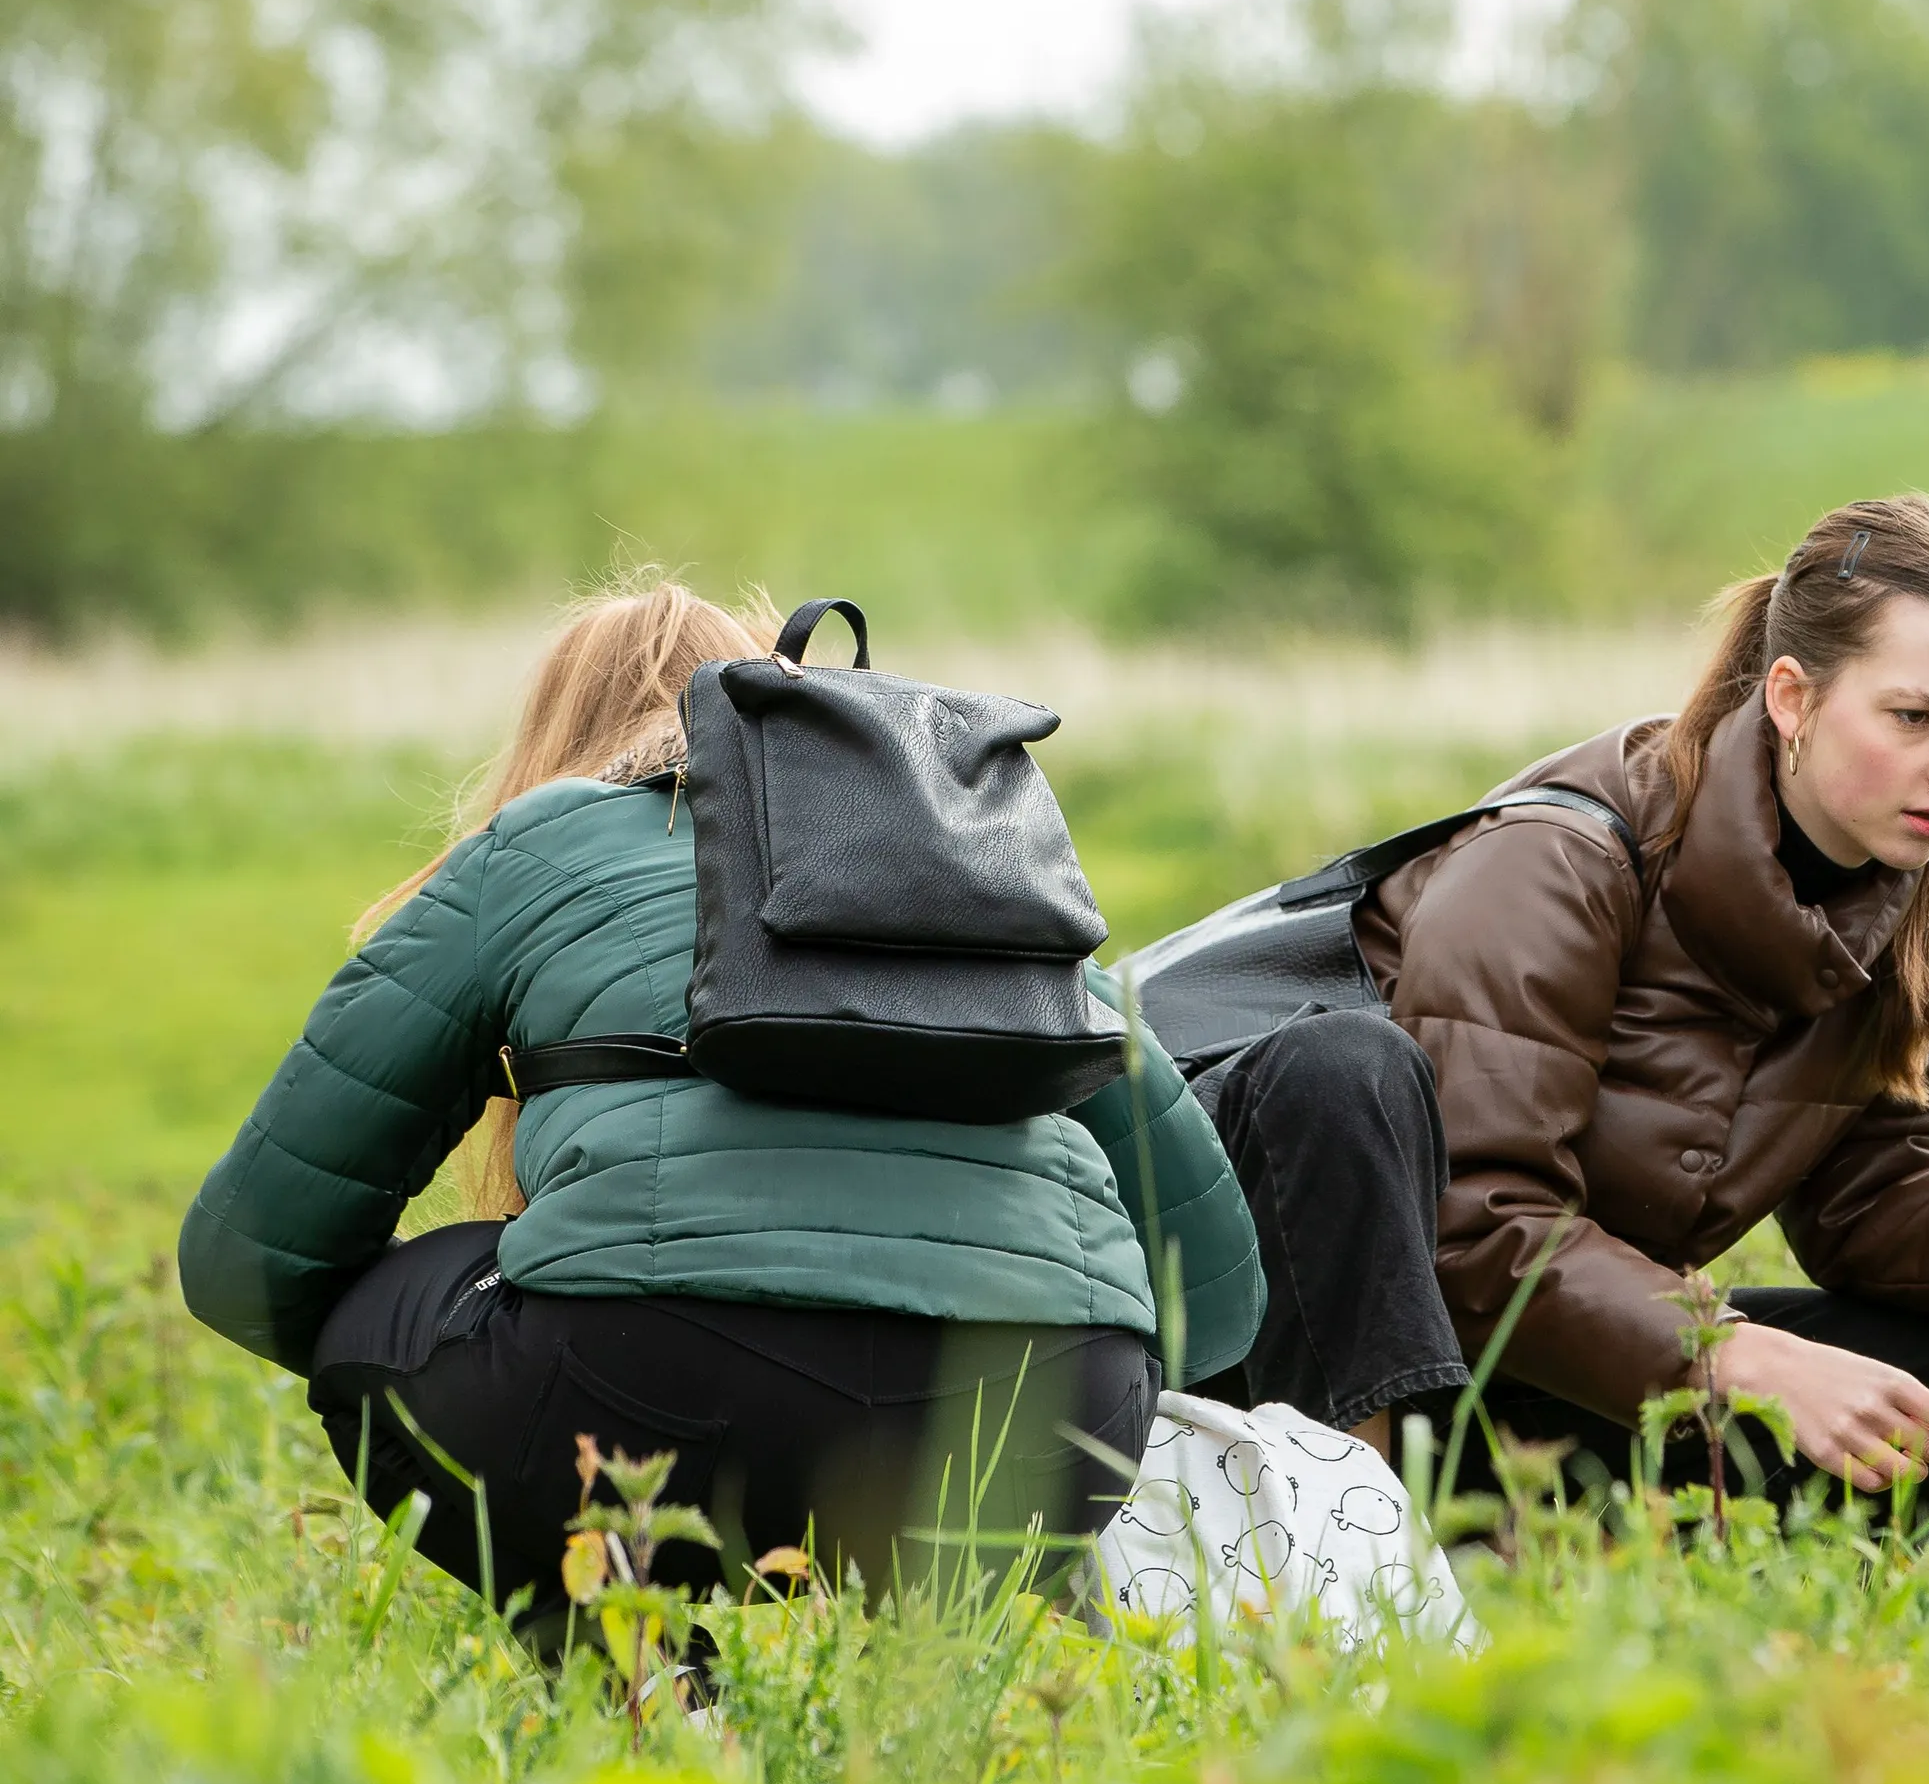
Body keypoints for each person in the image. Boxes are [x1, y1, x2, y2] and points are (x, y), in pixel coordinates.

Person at [177, 578, 1266, 1650]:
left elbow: (251, 1257)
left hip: (648, 1396)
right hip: (1045, 1431)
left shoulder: (540, 849)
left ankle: (638, 1682)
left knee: (377, 1330)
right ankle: (933, 1704)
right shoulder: (974, 868)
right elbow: (1216, 1295)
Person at [1184, 493, 1929, 1503]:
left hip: (1550, 1371)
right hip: (1303, 1374)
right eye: (1915, 716)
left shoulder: (1896, 894)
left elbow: (1874, 1201)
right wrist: (1737, 1359)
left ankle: (1547, 1551)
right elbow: (1473, 1223)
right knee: (1346, 1071)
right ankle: (1355, 1559)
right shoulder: (1559, 860)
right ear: (1791, 696)